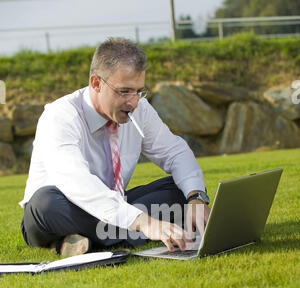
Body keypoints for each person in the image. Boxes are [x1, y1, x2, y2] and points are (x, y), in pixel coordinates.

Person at [19, 38, 210, 257]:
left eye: (139, 91)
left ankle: (84, 240)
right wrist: (143, 222)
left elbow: (175, 152)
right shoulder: (60, 116)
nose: (133, 102)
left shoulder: (140, 109)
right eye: (124, 91)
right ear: (96, 83)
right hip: (61, 208)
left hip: (116, 204)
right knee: (45, 203)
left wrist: (196, 197)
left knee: (179, 191)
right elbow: (76, 182)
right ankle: (132, 230)